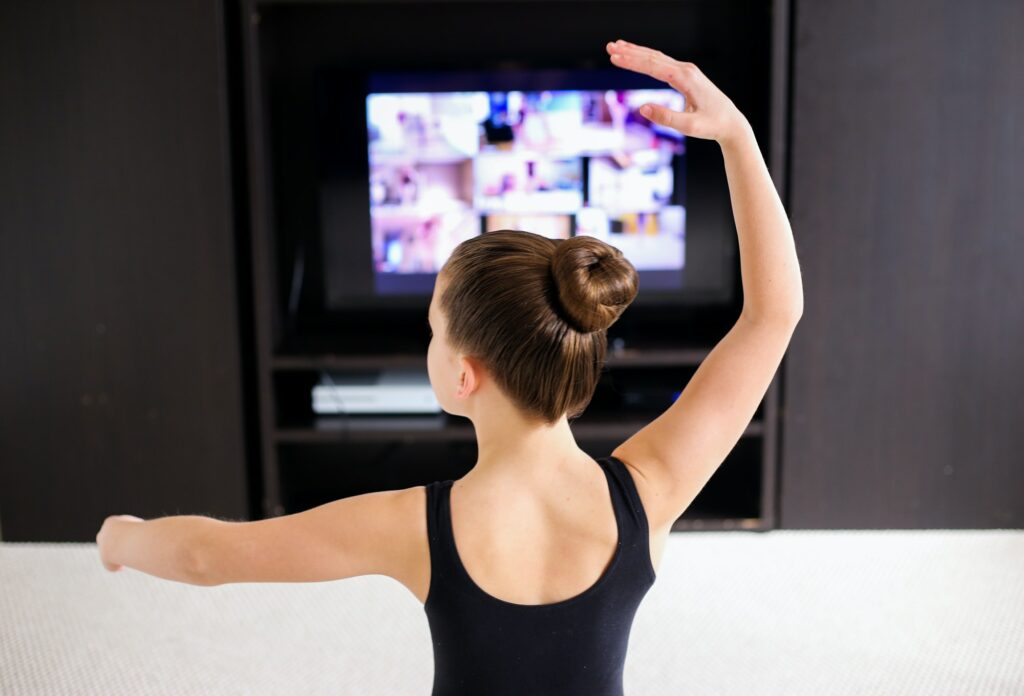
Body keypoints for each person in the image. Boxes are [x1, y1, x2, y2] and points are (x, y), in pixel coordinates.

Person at [96, 39, 803, 696]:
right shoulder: (646, 494)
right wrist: (736, 136)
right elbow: (773, 315)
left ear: (464, 375)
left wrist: (122, 535)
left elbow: (205, 557)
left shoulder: (416, 525)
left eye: (431, 329)